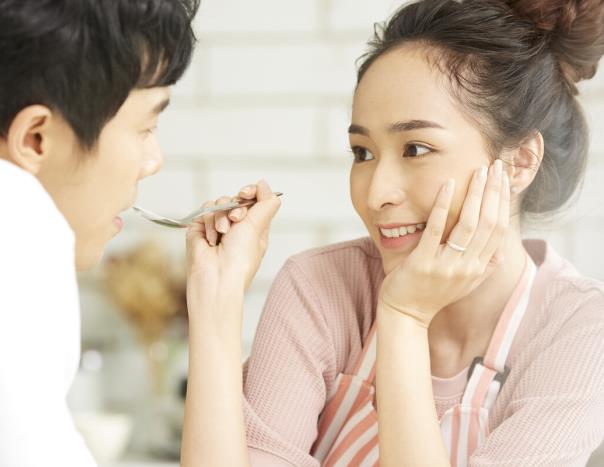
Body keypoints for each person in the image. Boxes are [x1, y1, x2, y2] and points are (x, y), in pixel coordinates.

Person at [180, 0, 604, 466]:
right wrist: (215, 299)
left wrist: (404, 317)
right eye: (362, 153)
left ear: (519, 162)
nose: (376, 193)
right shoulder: (321, 288)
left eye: (415, 148)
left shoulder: (581, 332)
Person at [0, 0, 280, 465]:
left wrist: (214, 296)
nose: (153, 160)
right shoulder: (0, 218)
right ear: (36, 138)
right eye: (146, 126)